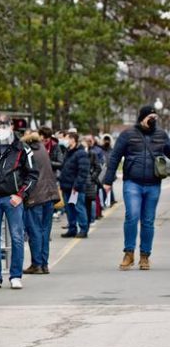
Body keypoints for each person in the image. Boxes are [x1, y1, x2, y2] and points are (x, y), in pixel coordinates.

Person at [103, 105, 170, 270]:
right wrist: (108, 180)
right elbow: (115, 157)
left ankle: (145, 256)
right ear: (142, 117)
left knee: (148, 221)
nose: (153, 119)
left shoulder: (162, 134)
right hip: (132, 182)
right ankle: (129, 253)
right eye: (150, 116)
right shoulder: (128, 134)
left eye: (155, 117)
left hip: (153, 183)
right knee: (132, 216)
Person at [0, 115, 38, 290]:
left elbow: (33, 175)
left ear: (11, 126)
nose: (1, 128)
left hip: (12, 198)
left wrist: (20, 195)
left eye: (5, 124)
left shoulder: (22, 149)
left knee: (17, 237)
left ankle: (16, 276)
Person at [21, 131, 60, 274]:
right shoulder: (42, 148)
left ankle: (36, 264)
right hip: (49, 194)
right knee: (45, 231)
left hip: (35, 196)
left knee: (35, 231)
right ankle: (44, 264)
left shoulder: (28, 151)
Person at [58, 131, 89, 239]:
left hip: (75, 188)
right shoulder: (68, 152)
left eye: (66, 138)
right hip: (67, 187)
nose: (64, 141)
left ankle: (83, 229)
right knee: (69, 209)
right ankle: (72, 229)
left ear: (72, 139)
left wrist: (76, 186)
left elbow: (83, 171)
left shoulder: (81, 153)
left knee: (79, 208)